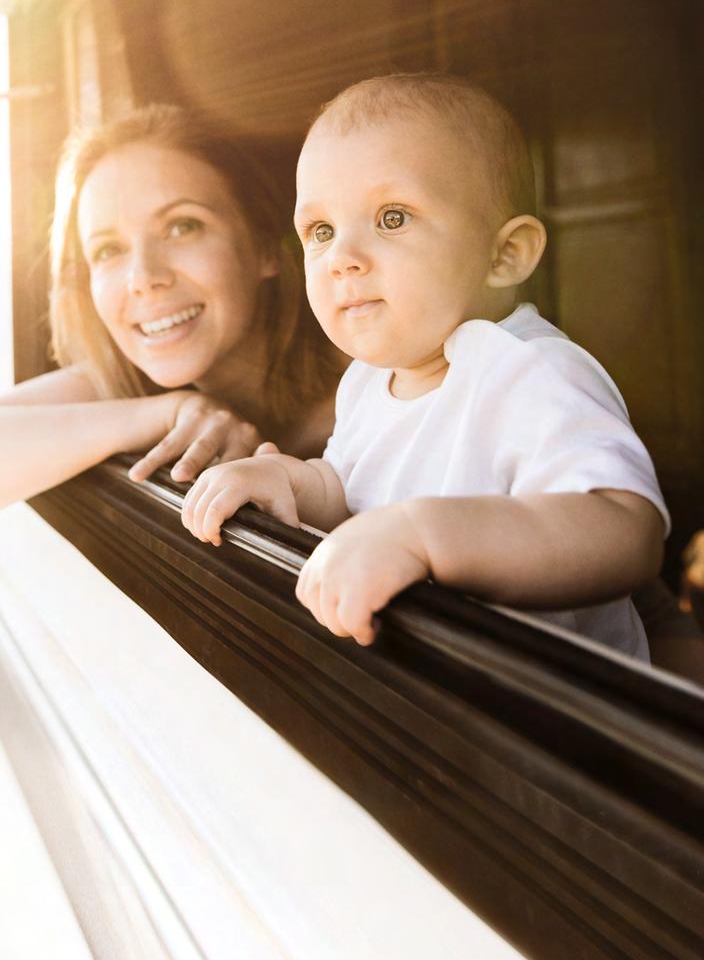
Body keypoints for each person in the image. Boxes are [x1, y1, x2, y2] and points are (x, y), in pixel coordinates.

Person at [181, 73, 667, 661]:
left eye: (392, 217)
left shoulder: (529, 370)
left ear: (504, 254)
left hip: (557, 724)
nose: (341, 259)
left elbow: (622, 530)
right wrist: (292, 483)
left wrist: (424, 537)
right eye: (321, 230)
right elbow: (351, 494)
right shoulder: (367, 380)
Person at [0, 104, 344, 516]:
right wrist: (169, 412)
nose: (143, 277)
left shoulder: (377, 384)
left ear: (264, 246)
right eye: (108, 250)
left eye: (182, 227)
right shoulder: (125, 383)